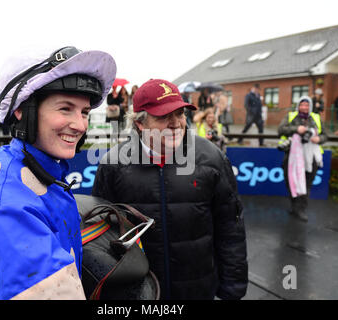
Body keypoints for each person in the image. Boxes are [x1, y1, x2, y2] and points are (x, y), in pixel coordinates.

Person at [0, 45, 117, 300]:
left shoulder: (38, 169)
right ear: (21, 109)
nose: (80, 125)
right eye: (65, 108)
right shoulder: (5, 208)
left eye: (84, 112)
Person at [92, 79, 248, 300]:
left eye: (180, 113)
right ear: (140, 124)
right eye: (164, 116)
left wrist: (233, 287)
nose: (176, 123)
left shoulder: (212, 158)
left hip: (199, 289)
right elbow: (102, 236)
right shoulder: (113, 164)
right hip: (139, 291)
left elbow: (230, 226)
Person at [278, 96, 327, 222]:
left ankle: (301, 209)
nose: (304, 107)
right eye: (302, 105)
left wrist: (319, 139)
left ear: (310, 106)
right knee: (291, 183)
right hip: (292, 156)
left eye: (306, 105)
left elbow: (325, 135)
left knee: (306, 184)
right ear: (298, 106)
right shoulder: (290, 116)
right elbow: (280, 130)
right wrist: (296, 129)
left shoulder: (316, 117)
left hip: (311, 157)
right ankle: (294, 207)